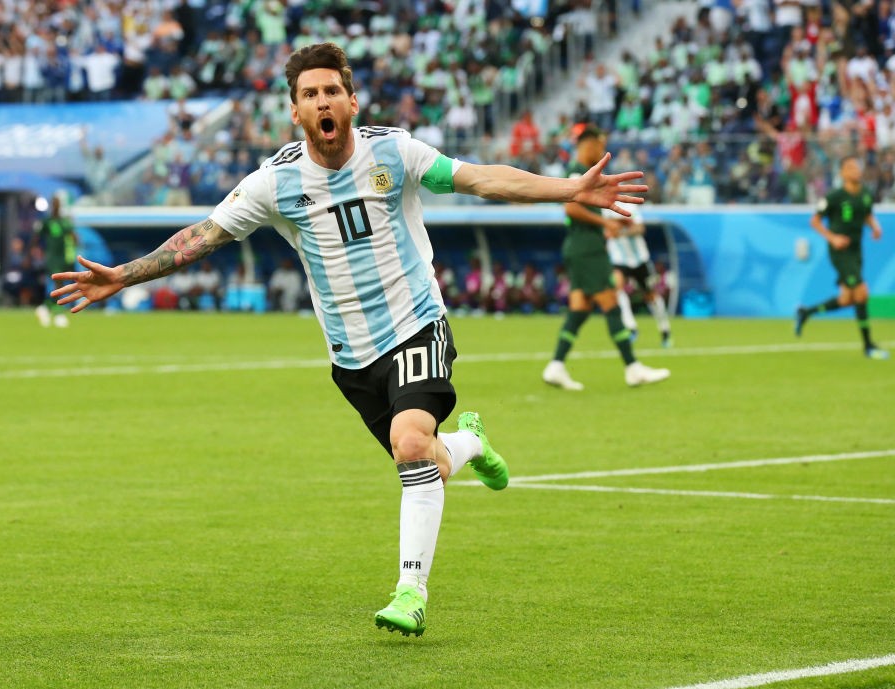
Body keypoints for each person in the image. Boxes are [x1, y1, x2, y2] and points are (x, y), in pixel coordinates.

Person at [51, 43, 647, 638]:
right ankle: (469, 443)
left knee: (409, 443)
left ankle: (411, 592)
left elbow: (481, 178)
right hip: (351, 356)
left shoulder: (395, 151)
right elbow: (201, 236)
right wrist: (123, 275)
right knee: (426, 459)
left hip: (416, 323)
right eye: (310, 94)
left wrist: (570, 188)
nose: (323, 102)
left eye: (332, 91)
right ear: (295, 111)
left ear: (352, 101)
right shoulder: (275, 182)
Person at [542, 125, 670, 391]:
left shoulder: (580, 171)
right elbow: (571, 209)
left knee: (580, 308)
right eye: (599, 145)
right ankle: (633, 367)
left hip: (582, 246)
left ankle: (556, 365)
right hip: (588, 248)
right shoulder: (578, 171)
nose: (602, 151)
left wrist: (608, 225)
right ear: (587, 143)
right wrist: (604, 224)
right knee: (611, 301)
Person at [796, 156, 889, 359]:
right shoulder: (835, 196)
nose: (855, 170)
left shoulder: (865, 194)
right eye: (850, 167)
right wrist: (833, 237)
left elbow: (867, 214)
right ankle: (868, 346)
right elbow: (815, 221)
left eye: (857, 167)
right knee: (861, 293)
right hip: (841, 252)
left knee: (847, 299)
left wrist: (875, 227)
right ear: (842, 173)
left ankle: (806, 312)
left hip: (856, 250)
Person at [603, 202, 672, 347]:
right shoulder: (603, 209)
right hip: (619, 259)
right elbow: (605, 231)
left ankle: (664, 329)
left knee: (651, 296)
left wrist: (620, 231)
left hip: (640, 259)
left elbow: (640, 228)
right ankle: (631, 327)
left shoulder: (629, 207)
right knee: (617, 289)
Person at [35, 194, 77, 328]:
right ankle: (59, 313)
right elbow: (37, 237)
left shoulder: (65, 222)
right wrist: (36, 251)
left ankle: (45, 308)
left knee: (61, 284)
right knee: (58, 284)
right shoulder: (47, 221)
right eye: (54, 203)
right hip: (52, 257)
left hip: (64, 257)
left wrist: (74, 244)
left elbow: (74, 237)